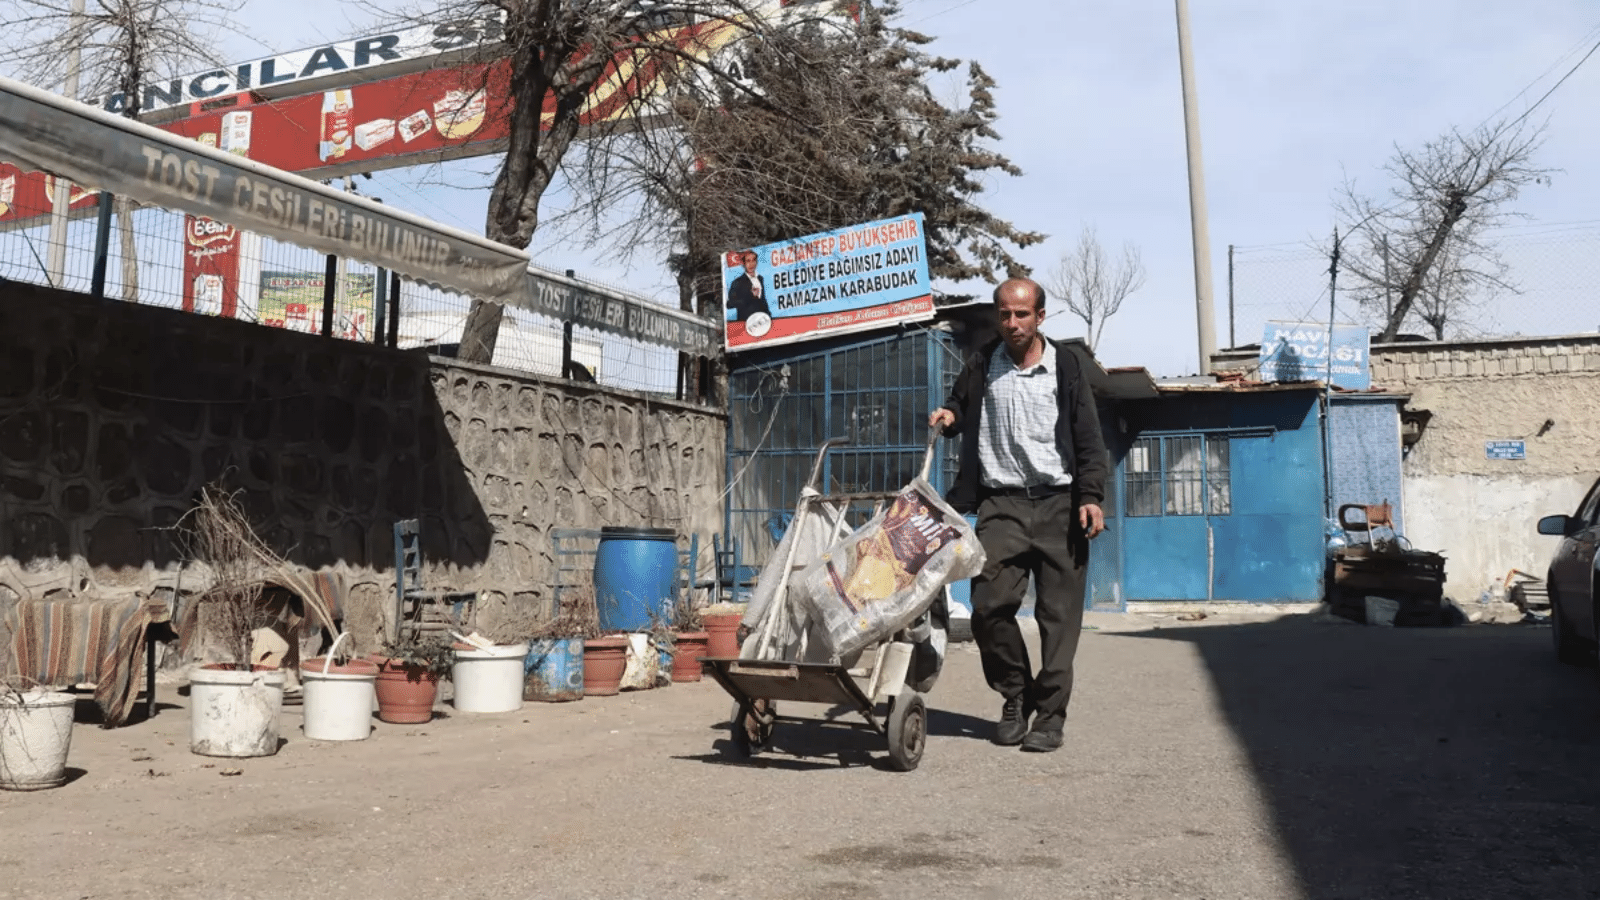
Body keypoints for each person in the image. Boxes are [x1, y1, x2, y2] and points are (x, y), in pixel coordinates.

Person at [928, 277, 1108, 753]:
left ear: (1040, 317)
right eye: (1005, 314)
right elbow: (961, 404)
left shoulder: (1065, 367)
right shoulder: (984, 361)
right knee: (988, 608)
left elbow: (1088, 438)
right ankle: (1015, 696)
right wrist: (948, 415)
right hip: (1001, 504)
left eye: (1022, 314)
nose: (1012, 323)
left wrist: (1091, 496)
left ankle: (1049, 718)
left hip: (1059, 504)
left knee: (1059, 620)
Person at [726, 250, 771, 323]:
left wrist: (769, 315)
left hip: (762, 322)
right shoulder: (738, 282)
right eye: (748, 261)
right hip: (746, 324)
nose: (751, 264)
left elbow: (762, 300)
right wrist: (751, 296)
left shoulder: (760, 278)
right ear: (744, 263)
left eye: (753, 260)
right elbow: (729, 304)